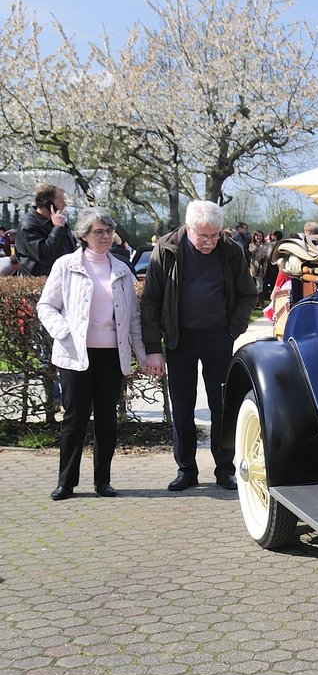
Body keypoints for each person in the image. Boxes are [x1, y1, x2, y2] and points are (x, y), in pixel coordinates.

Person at [140, 200, 260, 492]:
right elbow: (151, 300)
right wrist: (153, 345)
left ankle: (224, 468)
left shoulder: (231, 250)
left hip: (218, 336)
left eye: (215, 235)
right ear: (188, 227)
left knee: (222, 404)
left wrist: (234, 329)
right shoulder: (167, 249)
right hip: (179, 338)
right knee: (182, 406)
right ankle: (186, 470)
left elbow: (247, 294)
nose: (210, 242)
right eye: (203, 235)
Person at [36, 208, 146, 500]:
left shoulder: (122, 268)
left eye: (109, 231)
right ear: (83, 235)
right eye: (99, 231)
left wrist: (143, 354)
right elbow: (46, 306)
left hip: (111, 355)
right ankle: (66, 482)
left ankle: (103, 481)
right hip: (75, 354)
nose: (106, 236)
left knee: (107, 419)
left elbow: (133, 317)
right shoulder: (66, 265)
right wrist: (63, 331)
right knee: (75, 418)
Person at [14, 183, 77, 276]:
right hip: (42, 279)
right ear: (48, 203)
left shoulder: (57, 221)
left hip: (65, 274)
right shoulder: (28, 225)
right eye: (60, 201)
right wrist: (58, 229)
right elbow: (45, 256)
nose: (65, 204)